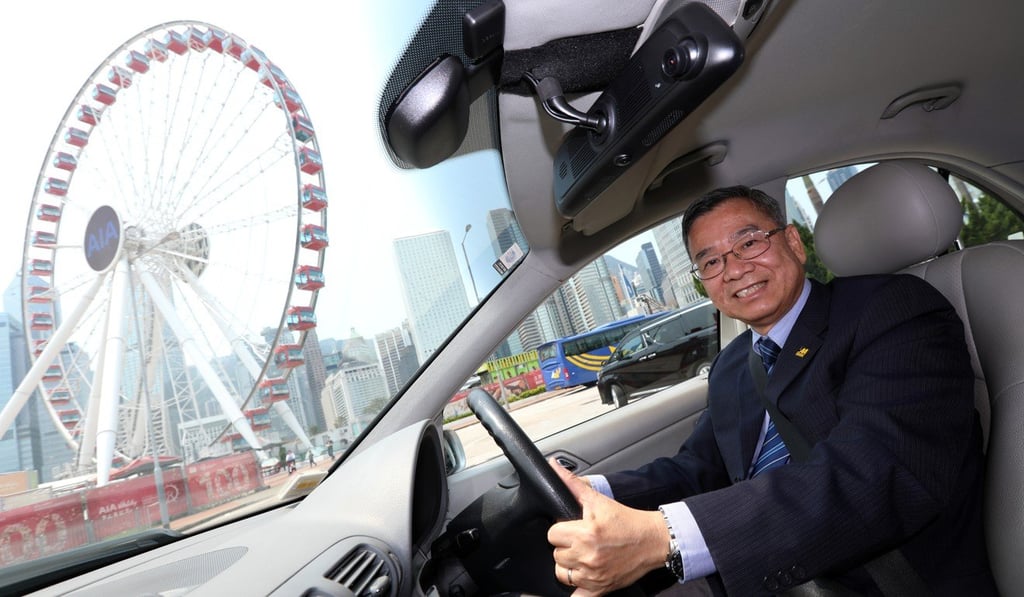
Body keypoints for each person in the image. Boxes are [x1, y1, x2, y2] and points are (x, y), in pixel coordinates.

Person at [546, 186, 996, 596]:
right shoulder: (732, 366)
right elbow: (699, 469)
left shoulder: (891, 309)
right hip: (762, 568)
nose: (735, 269)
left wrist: (665, 537)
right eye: (711, 261)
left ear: (794, 244)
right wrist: (592, 488)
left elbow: (875, 472)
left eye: (748, 243)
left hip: (886, 579)